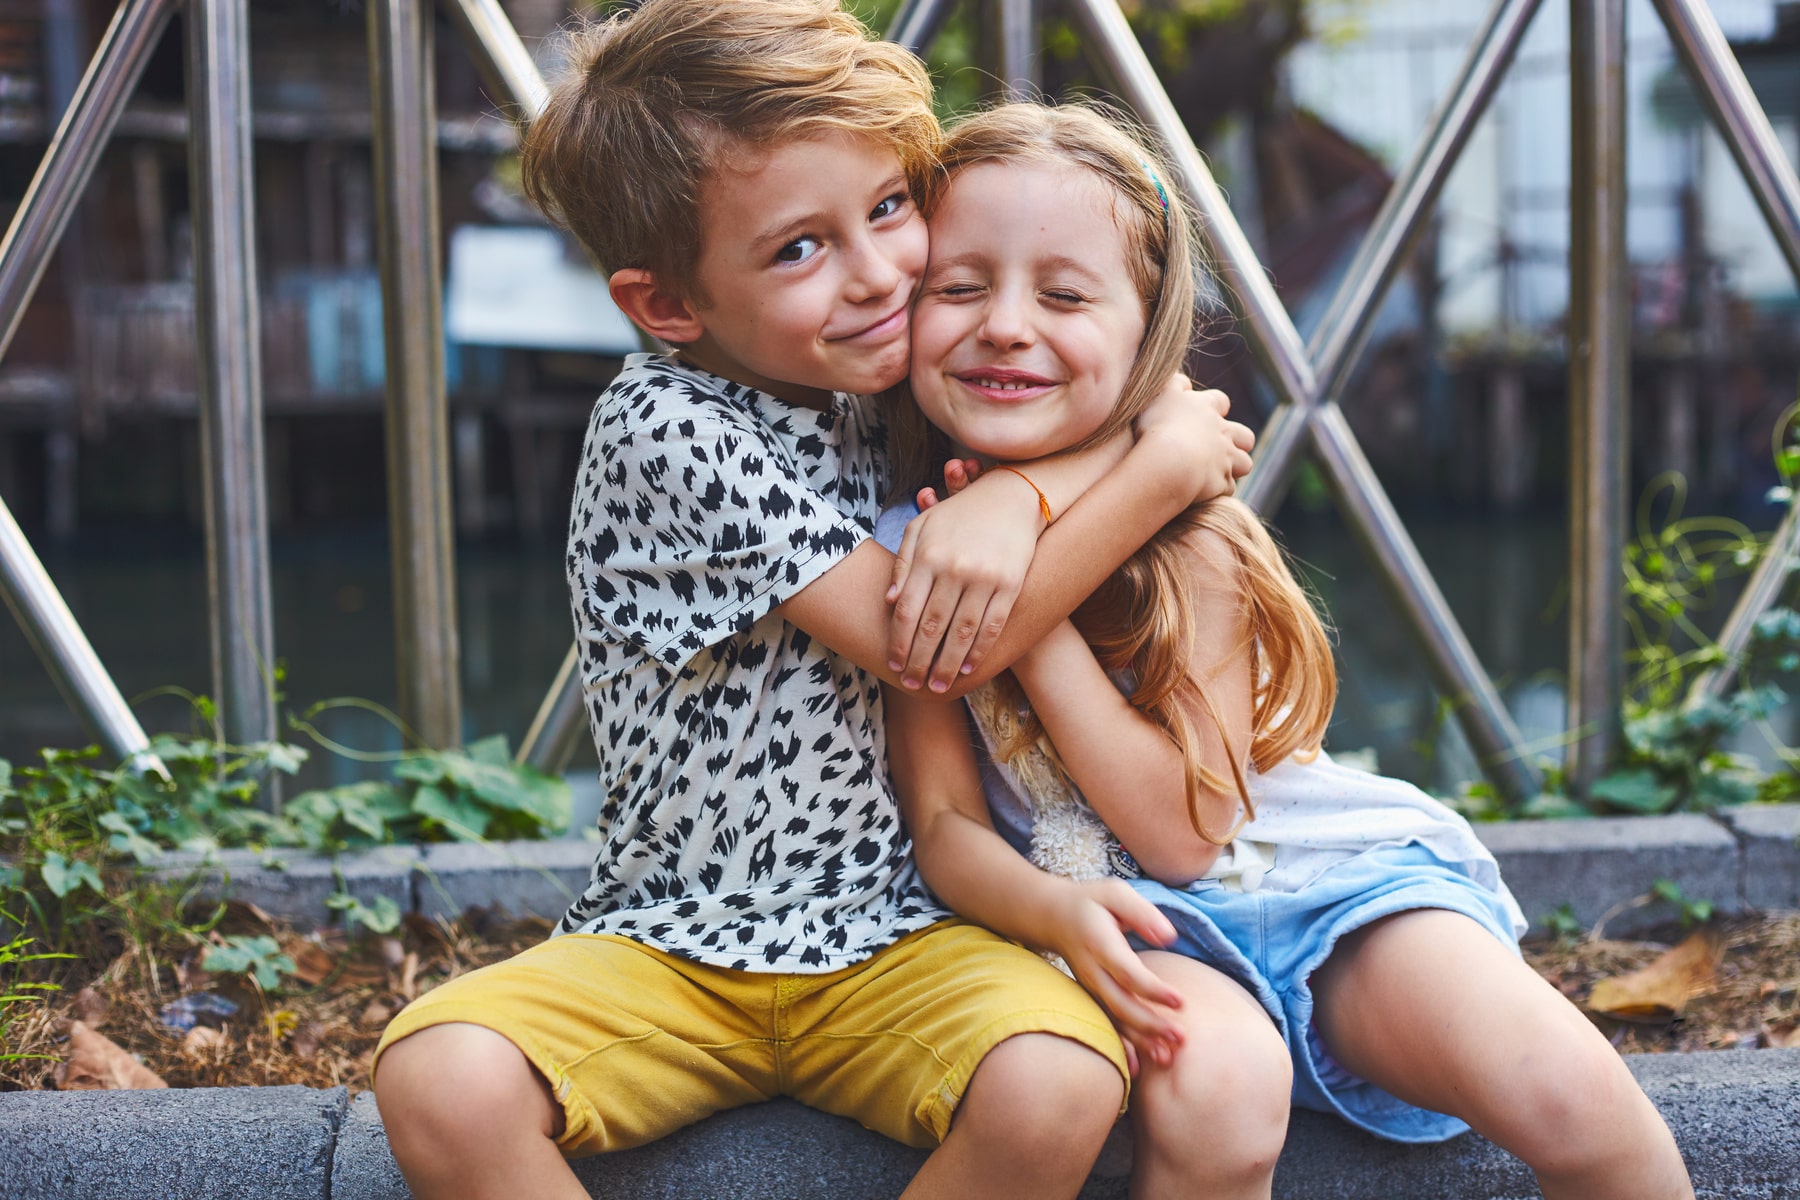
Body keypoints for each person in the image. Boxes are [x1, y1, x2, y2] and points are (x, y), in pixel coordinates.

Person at [367, 5, 1256, 1200]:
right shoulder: (665, 427)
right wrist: (1150, 469)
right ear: (668, 306)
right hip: (677, 938)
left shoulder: (867, 389)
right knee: (438, 1079)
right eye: (799, 249)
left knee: (1059, 1081)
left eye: (890, 208)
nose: (882, 272)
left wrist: (1051, 478)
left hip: (897, 931)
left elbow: (1043, 413)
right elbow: (924, 640)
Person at [881, 101, 1696, 1200]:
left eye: (1066, 294)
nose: (1007, 325)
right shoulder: (902, 551)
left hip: (1323, 889)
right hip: (1111, 929)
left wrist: (1044, 571)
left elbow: (1181, 828)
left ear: (1148, 336)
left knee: (1575, 1101)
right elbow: (948, 821)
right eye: (959, 287)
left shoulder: (1192, 537)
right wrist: (1091, 491)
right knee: (1222, 1100)